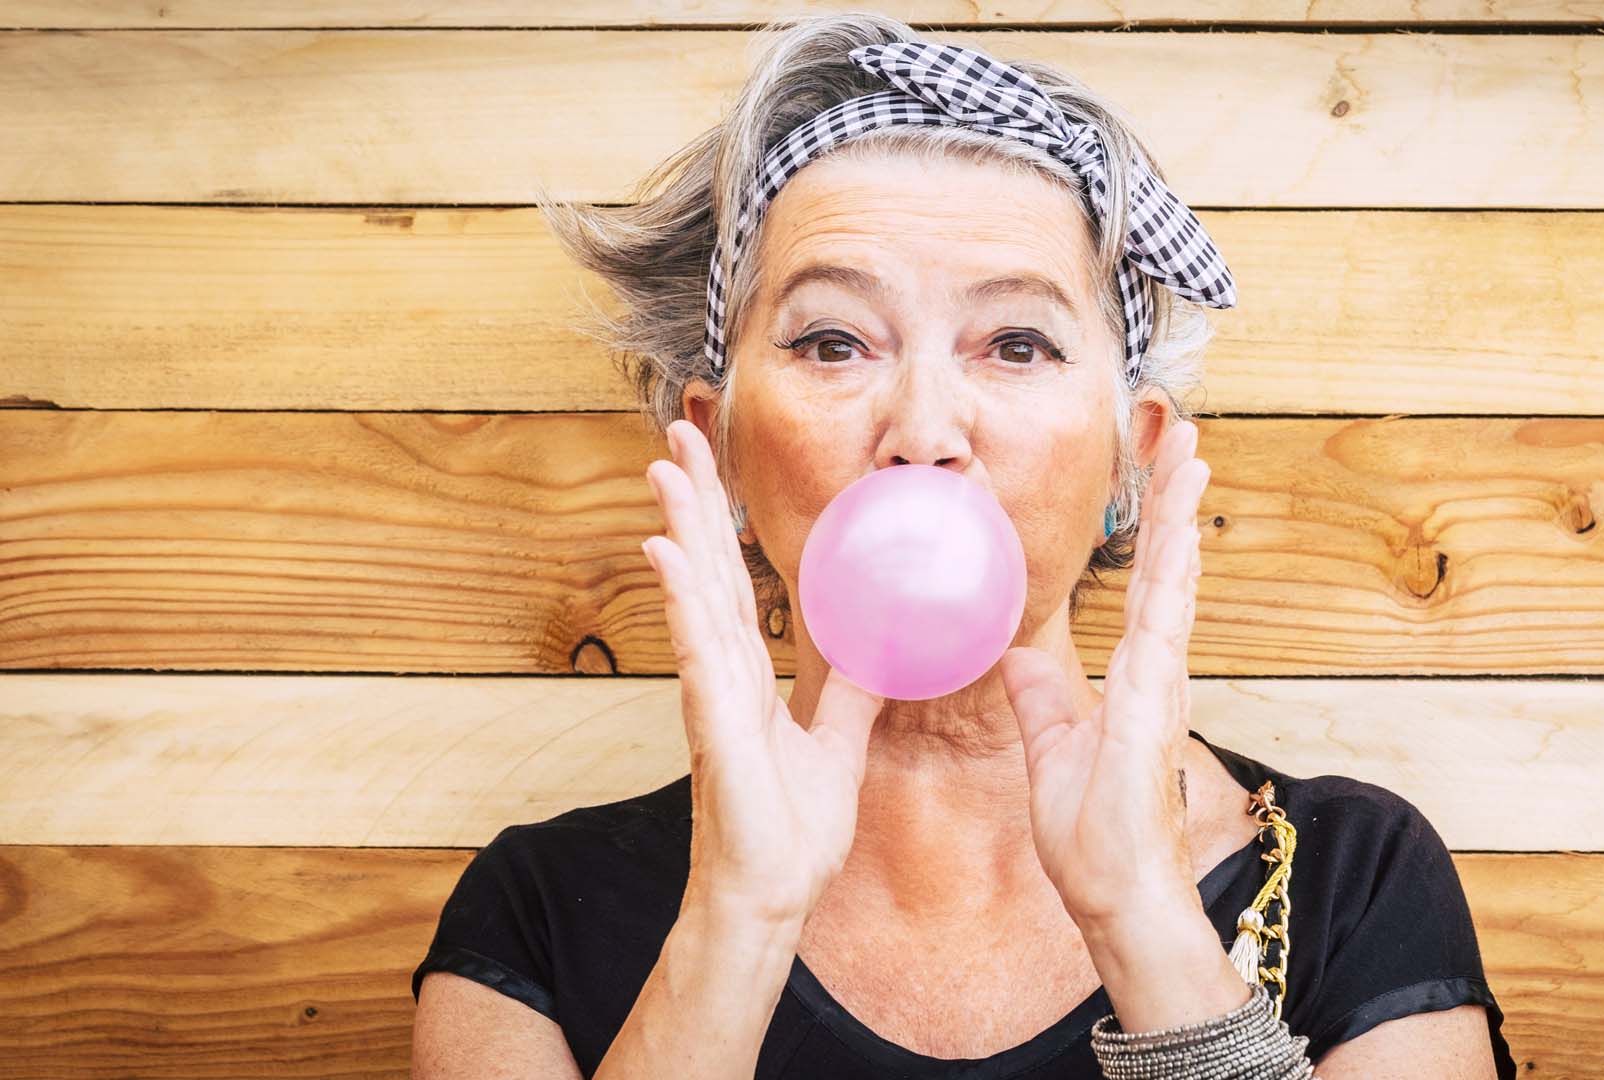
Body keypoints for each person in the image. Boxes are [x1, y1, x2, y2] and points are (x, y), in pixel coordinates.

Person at [410, 12, 1518, 1079]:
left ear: (1128, 459)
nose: (926, 433)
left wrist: (1141, 919)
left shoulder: (1355, 882)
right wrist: (738, 926)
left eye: (1019, 343)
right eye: (835, 340)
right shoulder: (531, 924)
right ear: (720, 449)